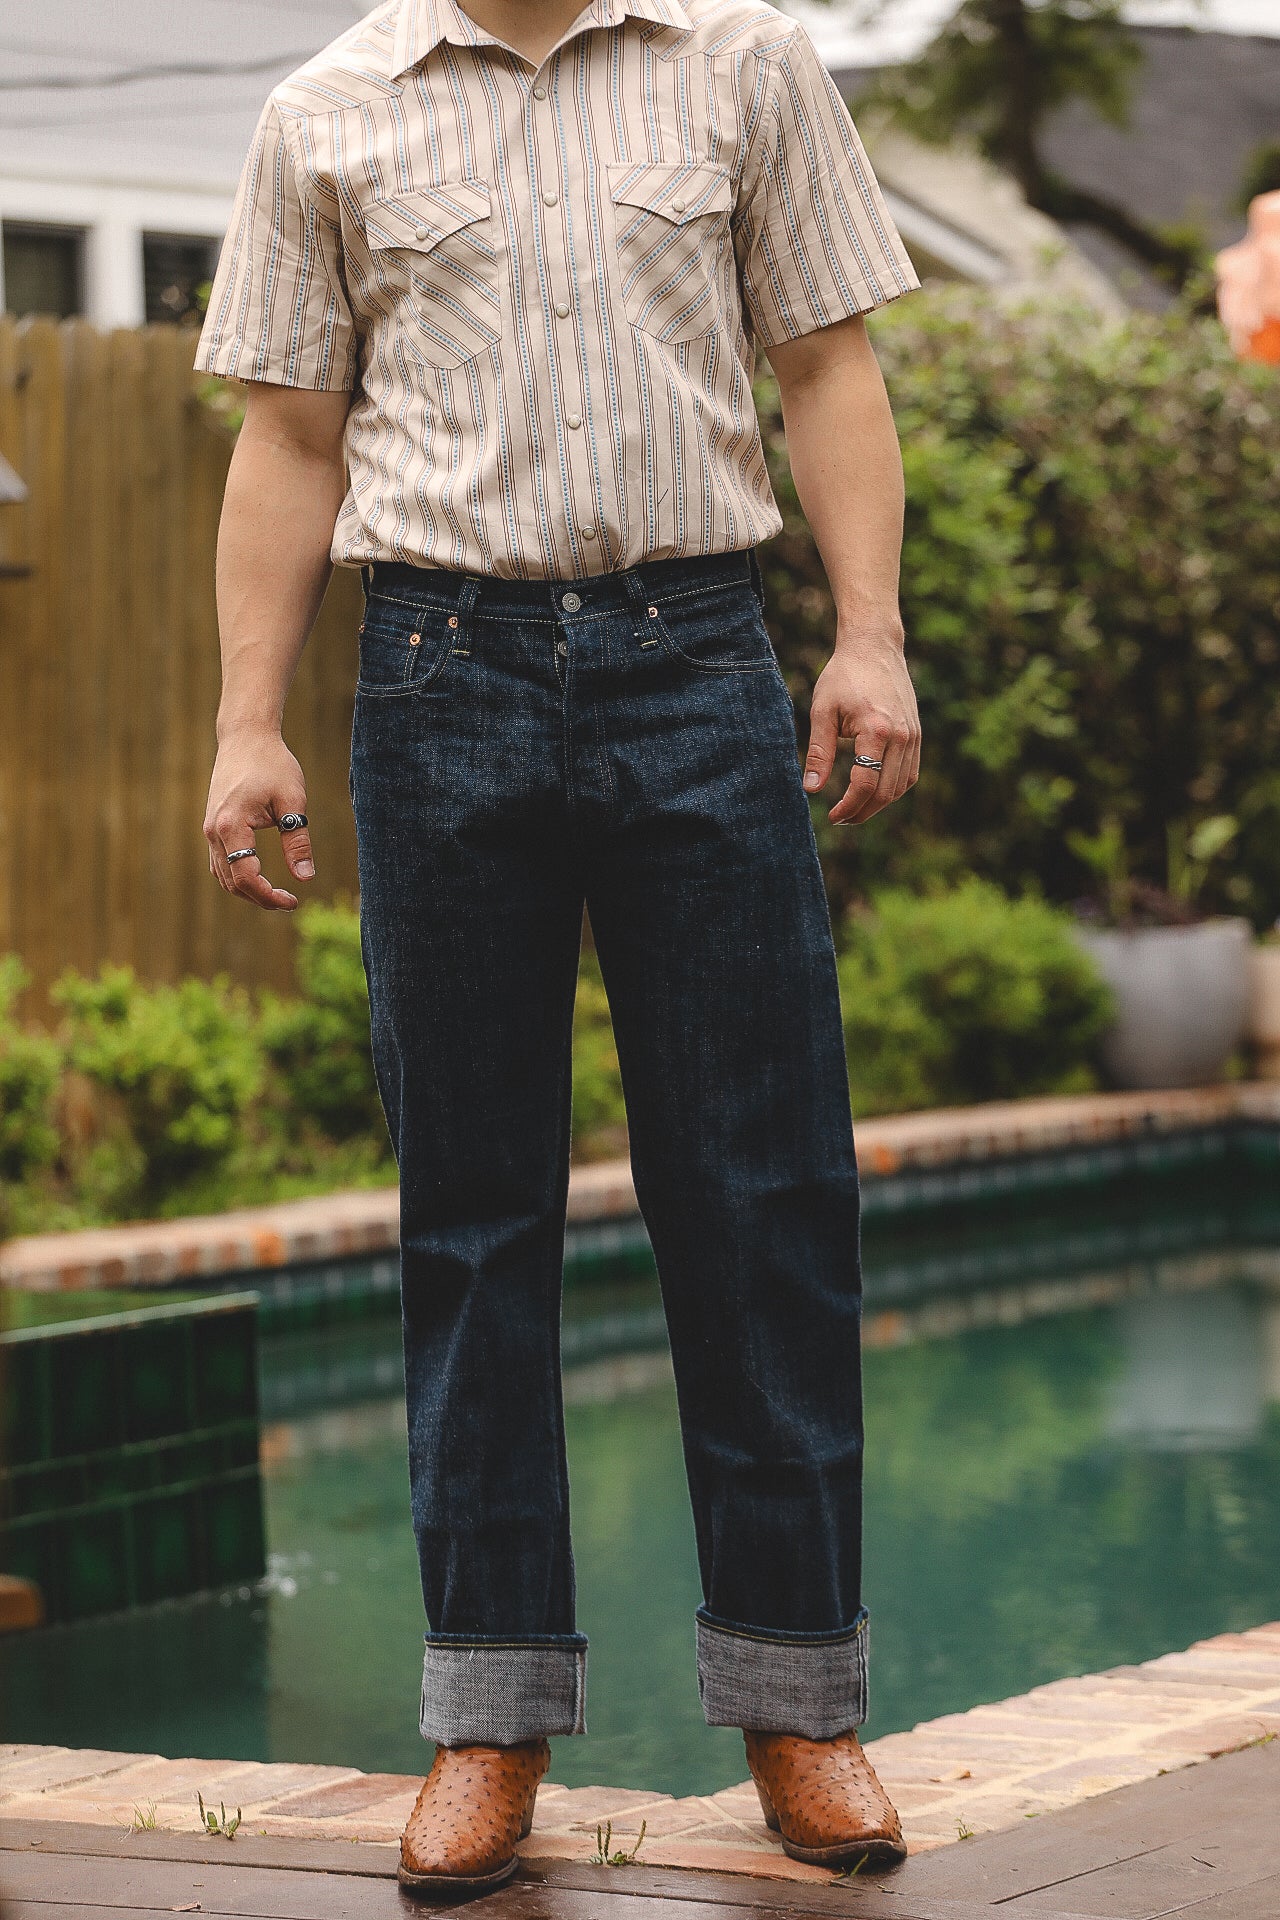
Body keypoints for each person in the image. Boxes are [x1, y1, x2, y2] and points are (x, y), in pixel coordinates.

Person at [196, 0, 923, 1899]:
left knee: (761, 1191)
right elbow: (285, 436)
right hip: (440, 678)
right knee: (473, 1211)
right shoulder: (324, 112)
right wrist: (245, 721)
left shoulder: (747, 65)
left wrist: (871, 636)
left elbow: (830, 367)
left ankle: (800, 1703)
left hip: (697, 660)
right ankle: (487, 1719)